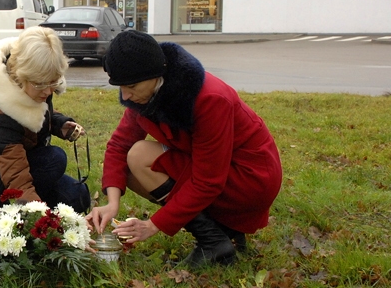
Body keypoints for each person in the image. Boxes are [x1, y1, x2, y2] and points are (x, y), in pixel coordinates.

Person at [87, 30, 282, 267]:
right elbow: (119, 145)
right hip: (217, 170)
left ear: (155, 74)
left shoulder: (210, 98)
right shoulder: (148, 94)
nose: (126, 96)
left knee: (139, 156)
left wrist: (153, 225)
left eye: (131, 86)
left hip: (249, 179)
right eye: (120, 87)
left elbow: (208, 180)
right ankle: (219, 233)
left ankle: (213, 241)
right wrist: (112, 203)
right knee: (128, 165)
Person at [0, 26, 90, 213]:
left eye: (53, 82)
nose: (48, 91)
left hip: (21, 161)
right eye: (40, 84)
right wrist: (32, 206)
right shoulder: (1, 111)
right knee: (54, 159)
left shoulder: (36, 87)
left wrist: (59, 124)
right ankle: (16, 217)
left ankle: (39, 207)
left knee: (78, 196)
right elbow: (12, 163)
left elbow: (38, 114)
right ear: (21, 76)